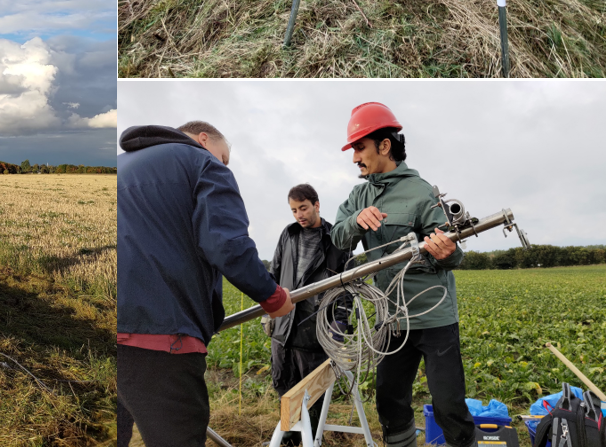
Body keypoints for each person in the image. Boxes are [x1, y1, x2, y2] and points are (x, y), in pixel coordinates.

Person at [117, 121, 295, 447]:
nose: (224, 165)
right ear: (203, 139)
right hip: (162, 339)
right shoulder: (202, 163)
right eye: (224, 157)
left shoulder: (120, 165)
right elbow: (226, 245)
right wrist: (272, 296)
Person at [330, 103, 476, 447]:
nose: (354, 158)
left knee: (449, 405)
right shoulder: (358, 194)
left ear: (384, 146)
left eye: (359, 148)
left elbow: (452, 254)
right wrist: (354, 221)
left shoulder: (421, 192)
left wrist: (447, 253)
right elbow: (337, 236)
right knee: (390, 401)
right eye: (353, 149)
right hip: (391, 320)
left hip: (433, 318)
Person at [268, 183, 352, 446]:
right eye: (293, 210)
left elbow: (347, 284)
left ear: (316, 205)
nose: (299, 215)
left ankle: (311, 439)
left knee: (311, 390)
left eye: (303, 208)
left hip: (315, 327)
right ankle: (290, 438)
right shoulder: (289, 234)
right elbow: (274, 272)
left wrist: (341, 319)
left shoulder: (336, 238)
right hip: (284, 326)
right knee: (283, 382)